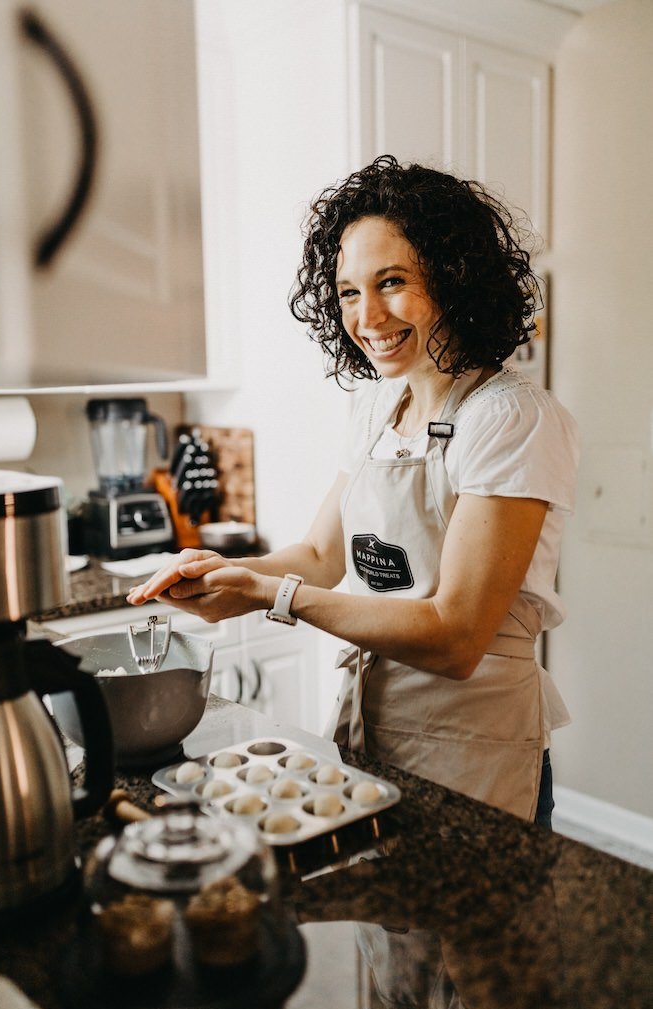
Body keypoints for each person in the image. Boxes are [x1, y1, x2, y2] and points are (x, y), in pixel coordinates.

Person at [128, 155, 579, 826]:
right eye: (346, 292)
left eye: (391, 282)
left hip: (474, 749)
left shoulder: (510, 416)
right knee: (377, 930)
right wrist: (224, 573)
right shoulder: (377, 407)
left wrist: (270, 596)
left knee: (461, 932)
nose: (367, 316)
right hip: (372, 732)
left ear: (453, 277)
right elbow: (318, 556)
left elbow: (456, 637)